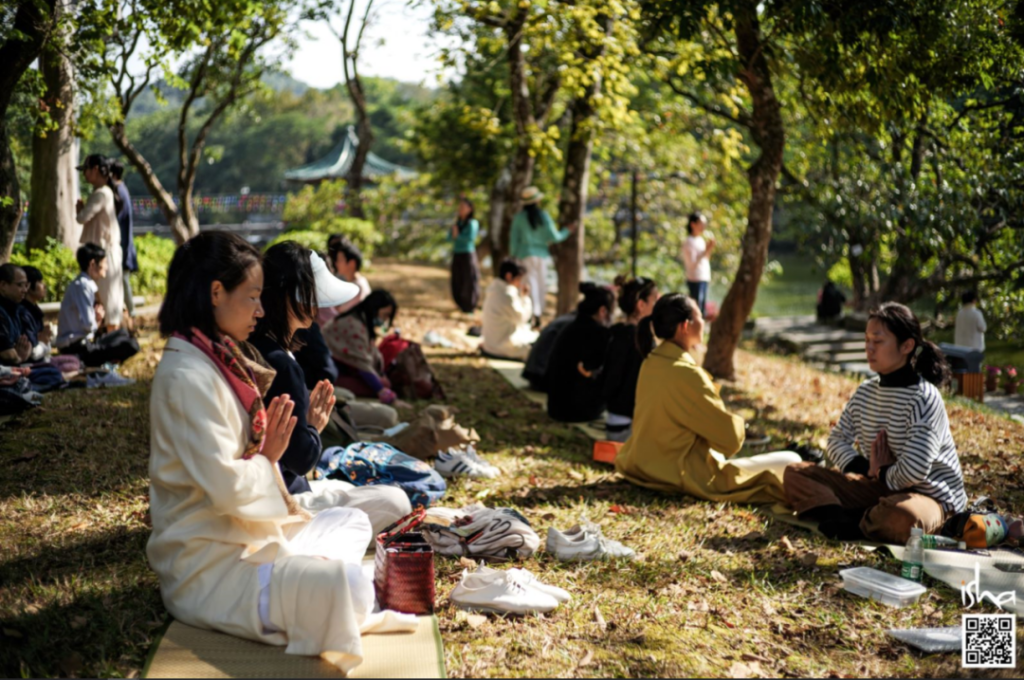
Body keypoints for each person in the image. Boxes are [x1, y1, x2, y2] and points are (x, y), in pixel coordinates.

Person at [148, 231, 412, 674]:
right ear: (216, 293)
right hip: (210, 569)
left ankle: (306, 574)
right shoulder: (186, 376)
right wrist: (269, 457)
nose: (259, 309)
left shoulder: (216, 357)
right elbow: (228, 490)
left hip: (251, 538)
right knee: (345, 583)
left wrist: (291, 443)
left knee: (350, 520)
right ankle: (313, 580)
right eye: (252, 297)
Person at [250, 240, 412, 522]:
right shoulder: (282, 364)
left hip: (267, 491)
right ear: (290, 297)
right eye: (311, 296)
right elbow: (301, 461)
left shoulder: (254, 344)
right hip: (286, 499)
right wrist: (314, 425)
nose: (316, 306)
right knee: (396, 502)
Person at [783, 302, 967, 544]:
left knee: (903, 518)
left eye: (878, 341)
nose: (869, 348)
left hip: (929, 498)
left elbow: (915, 469)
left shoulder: (924, 398)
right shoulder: (866, 392)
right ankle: (845, 517)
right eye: (867, 339)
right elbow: (837, 440)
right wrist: (866, 469)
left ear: (907, 346)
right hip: (879, 486)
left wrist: (881, 472)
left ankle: (858, 520)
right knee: (795, 473)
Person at [615, 293, 801, 504]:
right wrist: (739, 423)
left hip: (642, 465)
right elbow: (730, 440)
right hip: (681, 474)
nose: (704, 322)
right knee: (792, 460)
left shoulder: (650, 363)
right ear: (685, 326)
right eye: (700, 316)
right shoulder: (688, 374)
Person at [55, 243, 140, 367]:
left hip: (85, 342)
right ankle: (97, 364)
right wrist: (97, 318)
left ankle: (105, 361)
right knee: (131, 345)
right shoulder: (82, 286)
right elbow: (88, 325)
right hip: (76, 348)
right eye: (105, 263)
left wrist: (96, 319)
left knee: (123, 333)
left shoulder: (84, 284)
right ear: (93, 264)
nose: (107, 267)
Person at [545, 283, 615, 423]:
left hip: (555, 406)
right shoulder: (599, 334)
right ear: (602, 311)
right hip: (578, 410)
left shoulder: (570, 326)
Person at [602, 276, 660, 442]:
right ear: (641, 305)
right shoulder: (641, 341)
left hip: (614, 422)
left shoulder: (616, 331)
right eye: (654, 301)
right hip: (628, 429)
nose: (658, 307)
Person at [509, 186, 575, 323]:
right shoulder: (544, 216)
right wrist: (566, 231)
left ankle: (532, 315)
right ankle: (537, 316)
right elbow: (555, 237)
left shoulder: (519, 218)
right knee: (540, 285)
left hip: (524, 256)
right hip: (542, 256)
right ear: (537, 201)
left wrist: (513, 257)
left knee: (529, 285)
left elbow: (513, 243)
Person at [323, 289, 401, 404]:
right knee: (383, 384)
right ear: (374, 309)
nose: (385, 320)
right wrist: (382, 392)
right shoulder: (353, 326)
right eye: (385, 315)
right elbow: (361, 364)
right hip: (329, 376)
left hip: (340, 371)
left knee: (383, 382)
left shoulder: (360, 322)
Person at [76, 154, 125, 331]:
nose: (84, 175)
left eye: (86, 170)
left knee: (108, 301)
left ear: (95, 169)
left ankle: (114, 348)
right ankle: (110, 345)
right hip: (102, 255)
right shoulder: (105, 192)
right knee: (105, 301)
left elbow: (82, 218)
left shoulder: (101, 194)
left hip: (104, 256)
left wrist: (80, 209)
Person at [481, 259, 537, 361]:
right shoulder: (506, 295)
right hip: (500, 346)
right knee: (538, 351)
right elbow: (522, 318)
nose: (520, 283)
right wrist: (525, 298)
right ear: (509, 276)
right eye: (519, 279)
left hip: (491, 343)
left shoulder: (495, 288)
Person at [320, 235, 372, 325]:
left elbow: (339, 311)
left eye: (340, 260)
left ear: (351, 263)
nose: (336, 263)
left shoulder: (358, 287)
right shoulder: (357, 282)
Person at [110, 160, 138, 330]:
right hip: (124, 246)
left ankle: (131, 319)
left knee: (123, 281)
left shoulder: (118, 192)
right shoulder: (122, 190)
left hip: (122, 246)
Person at [449, 197, 481, 314]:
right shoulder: (457, 224)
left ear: (470, 209)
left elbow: (470, 239)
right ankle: (460, 304)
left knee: (469, 280)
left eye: (463, 207)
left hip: (468, 254)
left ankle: (470, 305)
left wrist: (457, 236)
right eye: (459, 207)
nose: (460, 209)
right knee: (457, 280)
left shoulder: (472, 223)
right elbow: (450, 238)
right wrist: (455, 235)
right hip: (457, 254)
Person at [680, 212, 714, 315]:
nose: (703, 226)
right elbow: (692, 264)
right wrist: (706, 250)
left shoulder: (700, 240)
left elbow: (706, 258)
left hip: (704, 277)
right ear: (693, 224)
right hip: (695, 278)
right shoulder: (689, 241)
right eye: (701, 223)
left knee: (702, 309)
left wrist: (709, 249)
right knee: (697, 310)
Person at [17, 266, 52, 363]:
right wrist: (43, 341)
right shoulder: (23, 313)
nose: (44, 286)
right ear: (28, 286)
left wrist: (44, 340)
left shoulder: (34, 310)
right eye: (40, 282)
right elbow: (33, 354)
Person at [0, 264, 30, 366]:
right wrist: (19, 358)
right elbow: (8, 354)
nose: (25, 290)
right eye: (20, 285)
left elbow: (28, 344)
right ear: (3, 285)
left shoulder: (15, 310)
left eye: (26, 285)